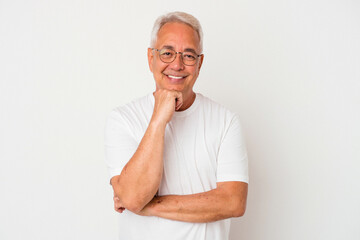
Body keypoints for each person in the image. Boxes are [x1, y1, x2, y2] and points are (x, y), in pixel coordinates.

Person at [104, 11, 249, 240]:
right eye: (167, 53)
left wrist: (148, 206)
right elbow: (132, 197)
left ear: (199, 63)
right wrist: (158, 120)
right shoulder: (122, 119)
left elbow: (234, 202)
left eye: (189, 56)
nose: (177, 64)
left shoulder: (226, 121)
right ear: (151, 58)